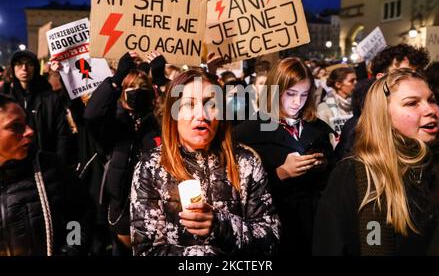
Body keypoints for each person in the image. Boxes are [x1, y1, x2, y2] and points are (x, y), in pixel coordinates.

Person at [130, 68, 280, 256]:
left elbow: (271, 240)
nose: (202, 114)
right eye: (189, 105)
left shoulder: (245, 162)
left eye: (211, 104)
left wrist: (221, 225)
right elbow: (145, 249)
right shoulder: (151, 167)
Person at [313, 69, 439, 255]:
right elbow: (331, 246)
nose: (430, 110)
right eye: (412, 103)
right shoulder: (353, 172)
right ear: (383, 114)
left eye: (431, 100)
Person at [235, 57, 334, 255]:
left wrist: (324, 164)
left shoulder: (318, 129)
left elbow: (333, 178)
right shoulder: (247, 133)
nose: (298, 102)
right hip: (277, 227)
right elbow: (238, 193)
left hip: (316, 225)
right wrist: (281, 173)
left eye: (304, 94)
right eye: (290, 94)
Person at [84, 52, 160, 255]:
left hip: (154, 207)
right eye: (131, 87)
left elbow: (177, 110)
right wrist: (117, 78)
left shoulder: (156, 122)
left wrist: (161, 80)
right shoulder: (112, 122)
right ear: (123, 91)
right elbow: (91, 113)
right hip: (120, 208)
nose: (138, 91)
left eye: (143, 88)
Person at [0, 94, 94, 256]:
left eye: (26, 122)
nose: (29, 131)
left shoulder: (50, 168)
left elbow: (80, 217)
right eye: (16, 126)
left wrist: (72, 250)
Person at [0, 50, 71, 161]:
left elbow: (62, 134)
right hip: (14, 161)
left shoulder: (50, 98)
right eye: (19, 64)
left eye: (30, 64)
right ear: (13, 68)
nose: (24, 68)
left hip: (46, 161)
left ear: (36, 68)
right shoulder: (5, 100)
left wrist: (59, 163)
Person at [317, 67, 357, 147]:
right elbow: (322, 138)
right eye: (351, 81)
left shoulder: (358, 104)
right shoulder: (324, 108)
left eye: (356, 80)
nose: (356, 83)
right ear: (338, 84)